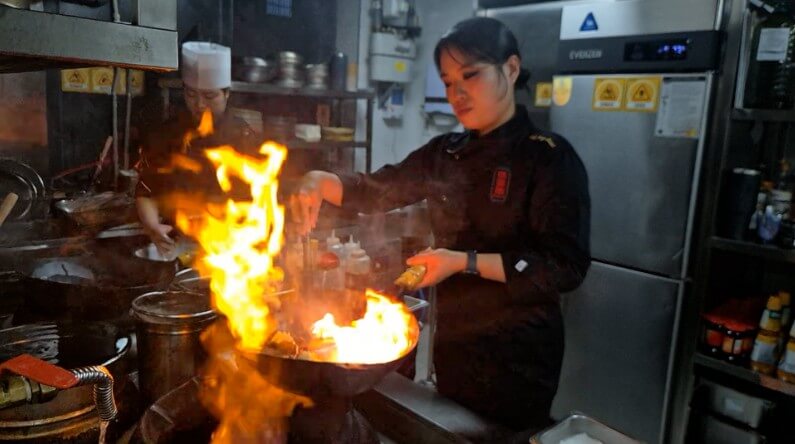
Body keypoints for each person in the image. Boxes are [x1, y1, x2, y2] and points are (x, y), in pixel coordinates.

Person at [293, 17, 590, 433]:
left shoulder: (549, 158)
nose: (457, 93)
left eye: (471, 75)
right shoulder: (446, 153)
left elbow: (564, 267)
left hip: (518, 358)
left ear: (511, 68)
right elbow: (380, 188)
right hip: (456, 348)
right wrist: (323, 181)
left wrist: (462, 262)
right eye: (448, 82)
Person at [135, 42, 256, 254]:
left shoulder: (243, 137)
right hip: (176, 246)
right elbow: (146, 190)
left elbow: (259, 200)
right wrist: (152, 227)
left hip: (230, 250)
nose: (199, 104)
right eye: (191, 94)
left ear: (226, 94)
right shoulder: (167, 133)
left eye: (210, 96)